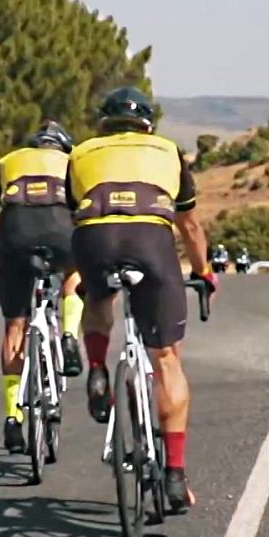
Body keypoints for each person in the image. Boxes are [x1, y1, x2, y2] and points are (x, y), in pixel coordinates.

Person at [68, 87, 217, 510]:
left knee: (97, 299)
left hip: (95, 237)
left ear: (104, 124)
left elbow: (71, 214)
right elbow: (189, 226)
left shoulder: (80, 153)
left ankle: (97, 369)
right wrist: (204, 272)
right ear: (148, 125)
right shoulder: (169, 151)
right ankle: (174, 473)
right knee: (167, 357)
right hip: (151, 239)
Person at [0, 120, 85, 453]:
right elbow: (83, 218)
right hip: (59, 232)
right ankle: (70, 336)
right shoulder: (74, 162)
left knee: (15, 325)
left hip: (15, 234)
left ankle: (13, 417)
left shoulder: (5, 163)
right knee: (74, 273)